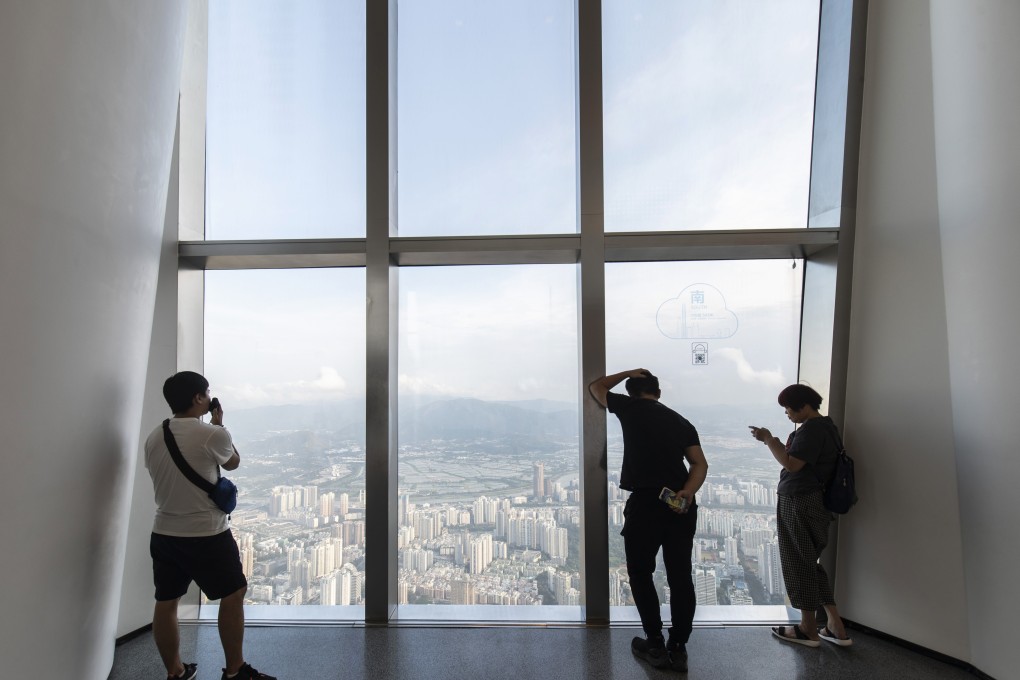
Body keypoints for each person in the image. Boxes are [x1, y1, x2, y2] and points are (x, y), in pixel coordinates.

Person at [144, 371, 276, 680]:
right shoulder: (211, 434)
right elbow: (233, 463)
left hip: (163, 532)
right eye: (206, 393)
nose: (208, 397)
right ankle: (235, 670)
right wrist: (218, 425)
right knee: (233, 592)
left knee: (166, 601)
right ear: (198, 399)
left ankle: (175, 672)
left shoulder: (154, 436)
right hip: (205, 533)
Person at [589, 369, 709, 672]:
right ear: (658, 392)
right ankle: (678, 646)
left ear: (631, 392)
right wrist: (688, 492)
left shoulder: (630, 407)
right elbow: (699, 464)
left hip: (645, 503)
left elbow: (597, 387)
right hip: (679, 503)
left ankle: (654, 643)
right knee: (680, 575)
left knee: (641, 572)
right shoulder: (681, 421)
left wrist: (628, 371)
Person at [749, 383, 852, 648]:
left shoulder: (813, 430)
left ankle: (808, 629)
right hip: (816, 502)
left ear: (804, 406)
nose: (787, 413)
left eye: (789, 408)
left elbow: (792, 464)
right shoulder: (829, 426)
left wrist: (769, 439)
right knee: (810, 562)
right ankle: (836, 626)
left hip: (800, 502)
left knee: (798, 564)